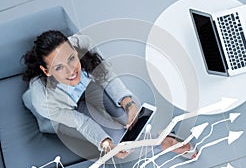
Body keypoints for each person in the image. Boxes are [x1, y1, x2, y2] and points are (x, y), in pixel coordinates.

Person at [22, 30, 195, 160]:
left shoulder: (84, 44)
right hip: (60, 114)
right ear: (46, 71)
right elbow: (81, 122)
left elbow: (107, 77)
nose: (71, 70)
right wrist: (107, 145)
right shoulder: (43, 100)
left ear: (75, 49)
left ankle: (156, 136)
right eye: (59, 67)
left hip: (87, 89)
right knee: (116, 138)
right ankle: (160, 142)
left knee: (126, 114)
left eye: (71, 59)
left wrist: (128, 103)